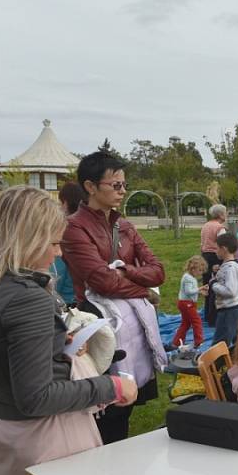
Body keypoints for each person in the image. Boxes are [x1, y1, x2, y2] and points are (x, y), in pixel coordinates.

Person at [0, 186, 137, 475]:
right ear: (28, 241)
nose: (58, 252)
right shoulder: (27, 299)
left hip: (0, 427)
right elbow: (36, 397)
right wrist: (113, 387)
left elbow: (1, 349)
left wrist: (51, 341)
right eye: (53, 243)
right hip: (45, 439)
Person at [60, 151, 166, 444]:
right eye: (115, 185)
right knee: (106, 408)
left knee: (127, 402)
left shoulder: (124, 225)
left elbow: (158, 271)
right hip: (98, 325)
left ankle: (118, 474)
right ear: (91, 186)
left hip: (134, 324)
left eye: (124, 185)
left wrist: (127, 271)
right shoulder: (74, 228)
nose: (122, 191)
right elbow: (102, 282)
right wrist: (143, 288)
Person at [211, 232, 238, 347]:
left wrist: (213, 284)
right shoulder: (234, 265)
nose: (215, 251)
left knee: (220, 343)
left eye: (217, 248)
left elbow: (230, 291)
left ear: (224, 249)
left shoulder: (230, 268)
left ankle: (218, 364)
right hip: (235, 308)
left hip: (229, 310)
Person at [53, 181, 84, 305]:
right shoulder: (91, 228)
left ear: (65, 203)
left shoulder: (63, 230)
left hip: (67, 300)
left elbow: (57, 274)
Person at [170, 255, 209, 349]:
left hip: (187, 303)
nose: (201, 273)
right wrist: (200, 289)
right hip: (186, 304)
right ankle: (198, 341)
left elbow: (191, 292)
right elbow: (188, 291)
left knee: (186, 323)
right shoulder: (187, 278)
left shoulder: (191, 277)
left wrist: (200, 292)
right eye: (200, 270)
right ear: (193, 268)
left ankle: (176, 342)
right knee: (197, 321)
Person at [200, 204, 227, 325]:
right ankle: (215, 317)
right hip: (216, 257)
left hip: (205, 256)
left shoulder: (205, 225)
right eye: (225, 213)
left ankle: (207, 314)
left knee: (206, 285)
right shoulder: (220, 228)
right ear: (221, 214)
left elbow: (202, 242)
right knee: (217, 286)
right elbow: (223, 244)